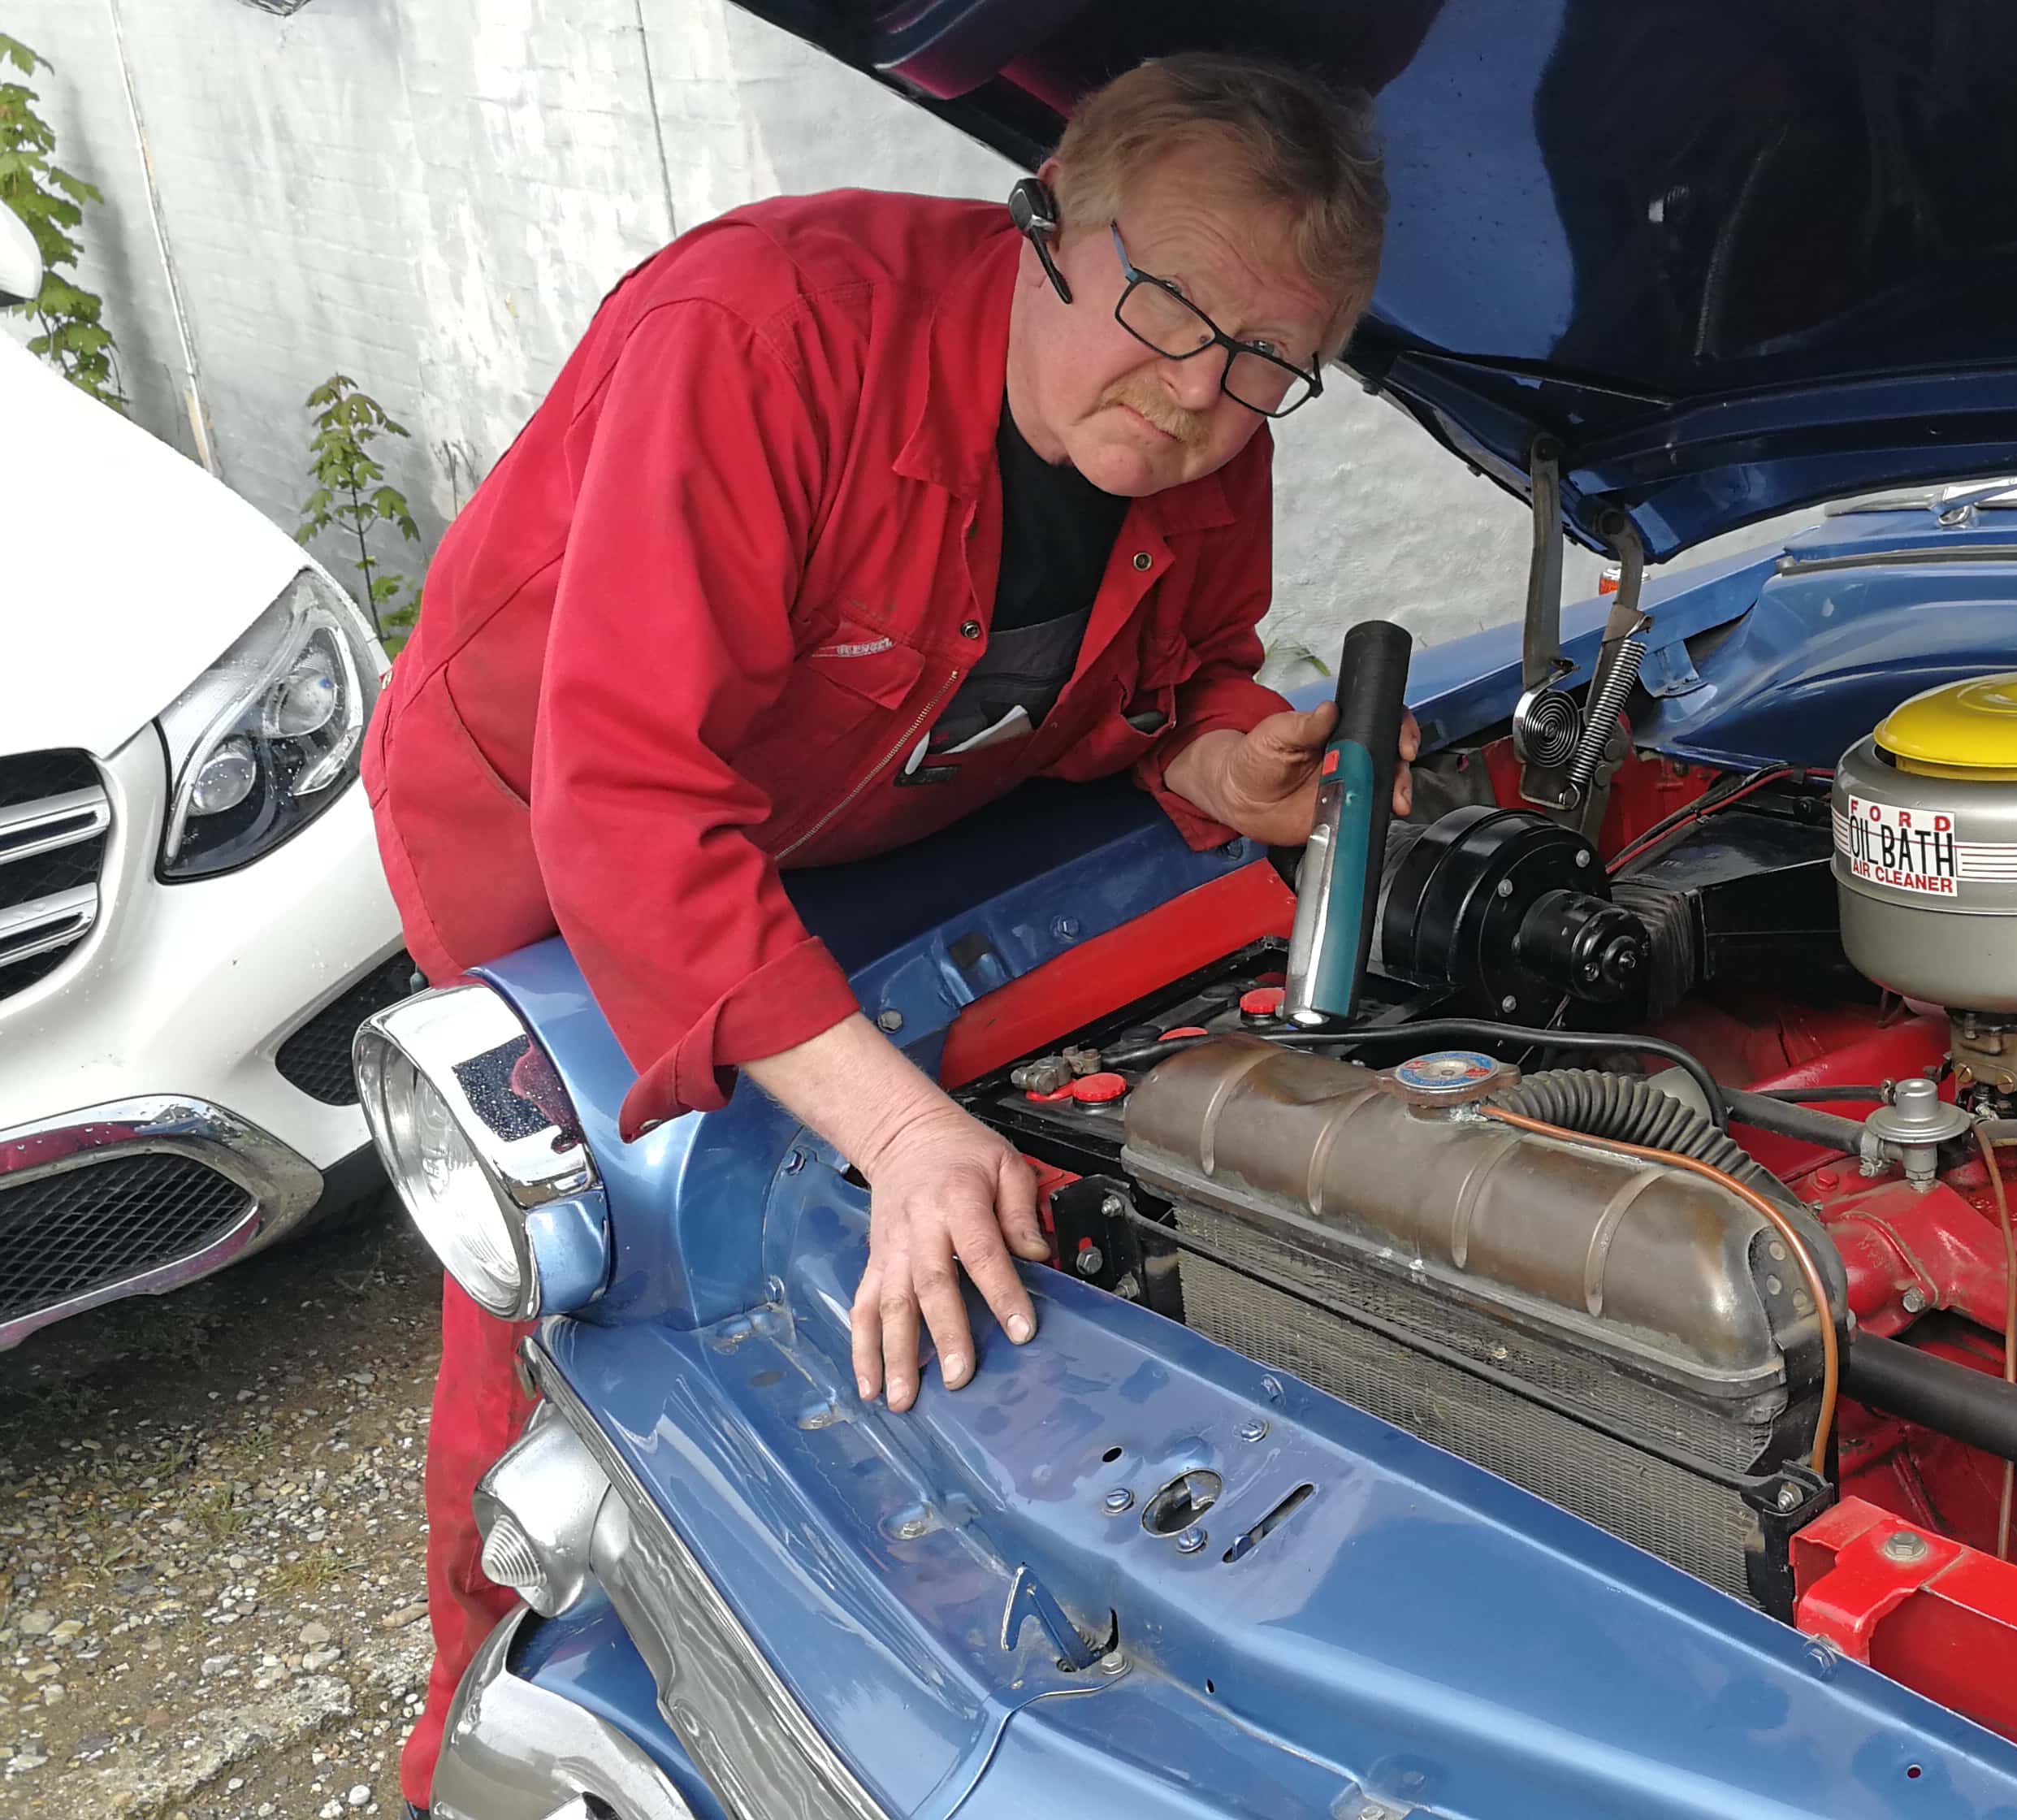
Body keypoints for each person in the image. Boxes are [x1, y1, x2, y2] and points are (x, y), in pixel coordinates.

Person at [357, 53, 1401, 1815]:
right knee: (585, 1259)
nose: (1199, 391)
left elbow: (1176, 666)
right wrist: (905, 1128)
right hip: (544, 810)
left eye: (1266, 364)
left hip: (883, 812)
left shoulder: (1205, 433)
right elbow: (624, 804)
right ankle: (491, 1719)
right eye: (1165, 306)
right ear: (1044, 216)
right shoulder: (761, 336)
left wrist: (1223, 745)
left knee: (840, 1189)